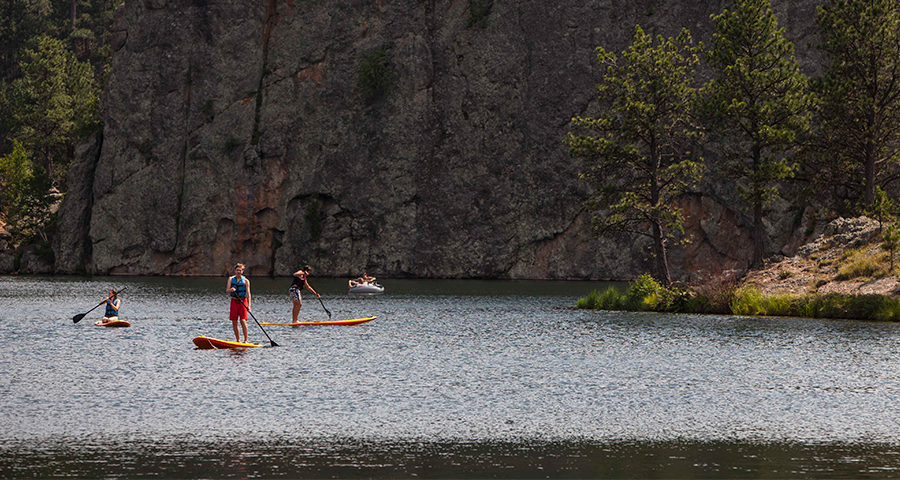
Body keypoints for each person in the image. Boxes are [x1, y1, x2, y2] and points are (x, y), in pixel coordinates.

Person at [226, 263, 251, 343]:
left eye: (240, 270)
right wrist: (231, 290)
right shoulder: (230, 279)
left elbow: (248, 294)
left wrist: (249, 306)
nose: (238, 272)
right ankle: (238, 340)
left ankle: (246, 340)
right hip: (234, 301)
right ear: (235, 271)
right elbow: (227, 291)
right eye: (237, 270)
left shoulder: (246, 281)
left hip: (242, 301)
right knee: (234, 321)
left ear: (242, 271)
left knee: (243, 320)